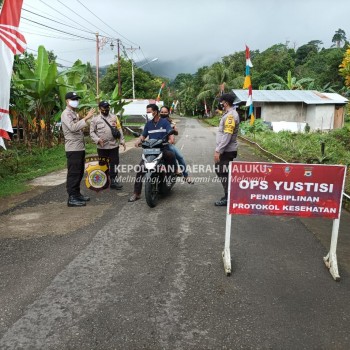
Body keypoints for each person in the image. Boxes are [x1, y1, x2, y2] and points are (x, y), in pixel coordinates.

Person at [128, 103, 176, 202]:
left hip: (162, 148)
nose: (148, 114)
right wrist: (138, 141)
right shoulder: (148, 124)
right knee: (140, 169)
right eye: (147, 112)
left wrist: (170, 140)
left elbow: (170, 133)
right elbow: (143, 136)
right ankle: (136, 193)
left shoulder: (164, 122)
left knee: (171, 155)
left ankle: (169, 176)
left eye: (149, 112)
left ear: (155, 111)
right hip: (150, 149)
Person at [61, 91, 95, 207]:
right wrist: (86, 117)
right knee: (74, 173)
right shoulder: (66, 114)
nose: (76, 101)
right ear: (67, 101)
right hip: (73, 148)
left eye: (77, 99)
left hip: (79, 148)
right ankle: (72, 198)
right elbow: (73, 127)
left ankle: (76, 194)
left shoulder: (74, 114)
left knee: (79, 172)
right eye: (73, 99)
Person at [90, 100, 126, 190]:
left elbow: (119, 129)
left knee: (114, 163)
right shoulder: (95, 119)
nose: (106, 109)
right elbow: (92, 132)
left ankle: (113, 181)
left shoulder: (114, 117)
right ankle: (105, 181)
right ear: (100, 109)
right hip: (102, 146)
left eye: (107, 107)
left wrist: (122, 140)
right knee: (103, 163)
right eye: (104, 108)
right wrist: (97, 140)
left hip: (113, 145)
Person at [214, 93, 240, 206]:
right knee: (223, 172)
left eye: (222, 102)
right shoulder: (228, 114)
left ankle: (228, 197)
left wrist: (218, 150)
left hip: (226, 150)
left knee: (222, 172)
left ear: (226, 102)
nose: (221, 104)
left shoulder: (230, 116)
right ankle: (229, 195)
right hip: (226, 149)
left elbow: (227, 135)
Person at [159, 106, 193, 184]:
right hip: (156, 145)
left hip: (166, 144)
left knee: (179, 156)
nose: (163, 113)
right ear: (159, 112)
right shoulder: (156, 121)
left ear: (168, 113)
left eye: (165, 112)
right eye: (162, 112)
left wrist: (174, 131)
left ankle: (185, 175)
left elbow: (175, 134)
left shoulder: (170, 122)